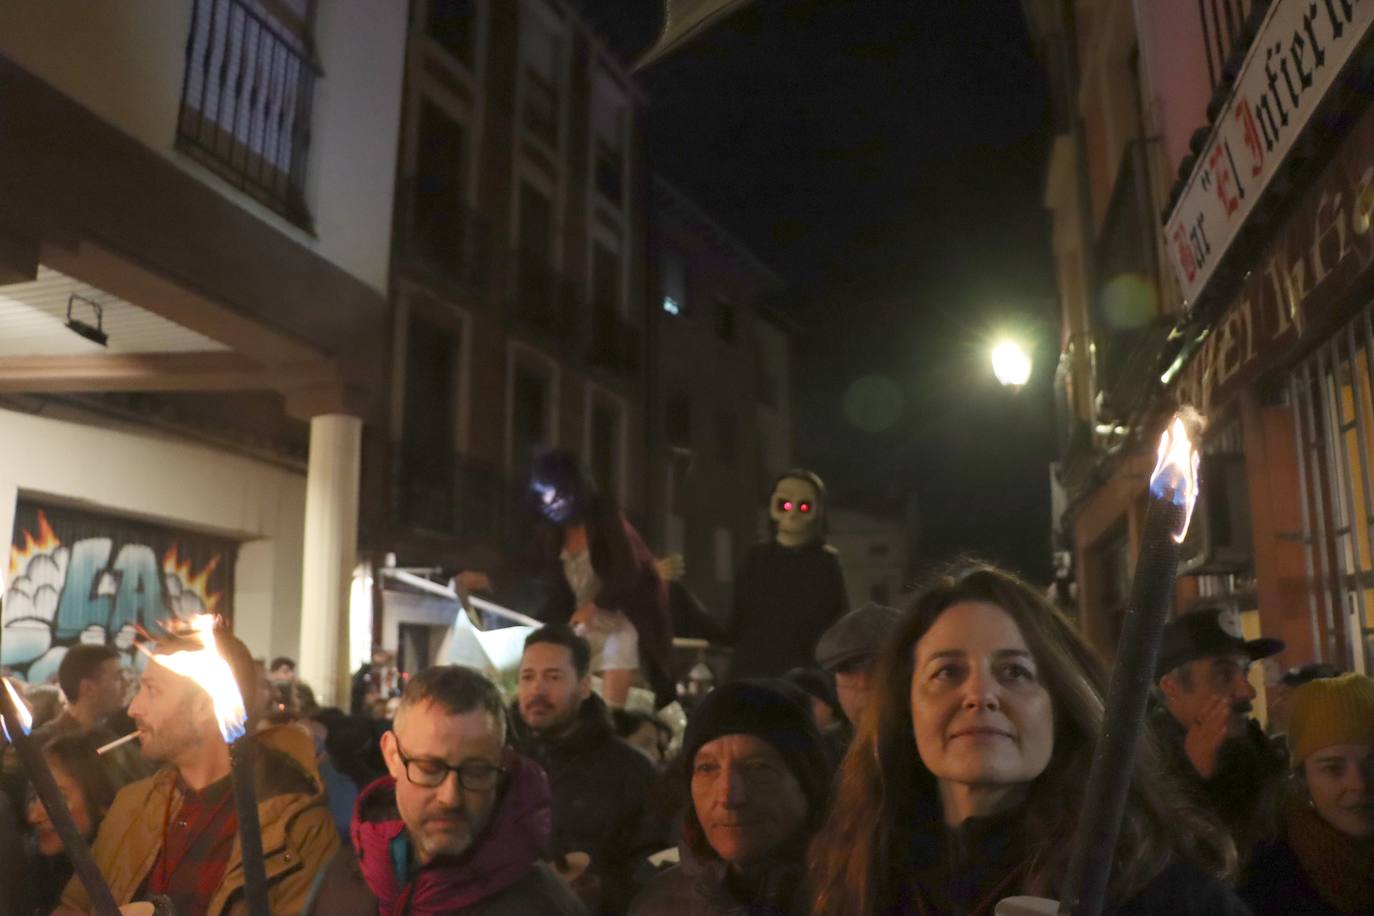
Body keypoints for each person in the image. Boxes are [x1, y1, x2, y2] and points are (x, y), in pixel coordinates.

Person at [808, 562, 1248, 915]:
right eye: (947, 672)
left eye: (1015, 672)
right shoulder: (856, 876)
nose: (980, 696)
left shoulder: (1149, 883)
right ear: (907, 706)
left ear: (1059, 703)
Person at [54, 624, 339, 915]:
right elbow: (76, 906)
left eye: (152, 690)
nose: (134, 708)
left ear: (204, 706)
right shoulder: (133, 804)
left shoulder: (299, 828)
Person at [306, 665, 586, 915]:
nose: (450, 797)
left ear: (501, 764)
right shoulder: (344, 875)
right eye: (429, 768)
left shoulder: (543, 904)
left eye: (476, 771)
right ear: (391, 756)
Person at [629, 679, 834, 915]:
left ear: (807, 785)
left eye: (758, 768)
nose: (729, 796)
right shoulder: (661, 904)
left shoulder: (861, 895)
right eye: (707, 768)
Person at [511, 625, 669, 914]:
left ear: (584, 687)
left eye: (553, 676)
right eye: (528, 676)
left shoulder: (630, 769)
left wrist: (601, 889)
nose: (537, 689)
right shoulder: (499, 761)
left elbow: (656, 863)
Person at [1153, 605, 1287, 857]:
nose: (1248, 691)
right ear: (1172, 687)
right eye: (1224, 675)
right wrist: (1192, 777)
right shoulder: (1137, 768)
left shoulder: (1257, 752)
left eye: (1245, 672)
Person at [1239, 672, 1374, 915]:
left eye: (1372, 764)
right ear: (1302, 780)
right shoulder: (1268, 880)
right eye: (1333, 768)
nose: (1359, 784)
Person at [730, 469, 849, 680]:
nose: (792, 512)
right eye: (784, 504)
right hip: (754, 674)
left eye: (804, 506)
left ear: (818, 511)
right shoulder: (755, 558)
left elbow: (837, 623)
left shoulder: (826, 563)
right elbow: (736, 620)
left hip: (806, 678)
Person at [30, 644, 148, 793]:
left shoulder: (118, 738)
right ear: (88, 688)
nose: (126, 683)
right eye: (118, 677)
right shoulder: (44, 744)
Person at [24, 735, 118, 913]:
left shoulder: (126, 878)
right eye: (33, 797)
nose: (34, 816)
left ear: (103, 800)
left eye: (56, 798)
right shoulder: (36, 875)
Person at [814, 602, 900, 747]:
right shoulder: (825, 757)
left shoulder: (938, 752)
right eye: (846, 668)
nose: (863, 683)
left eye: (879, 666)